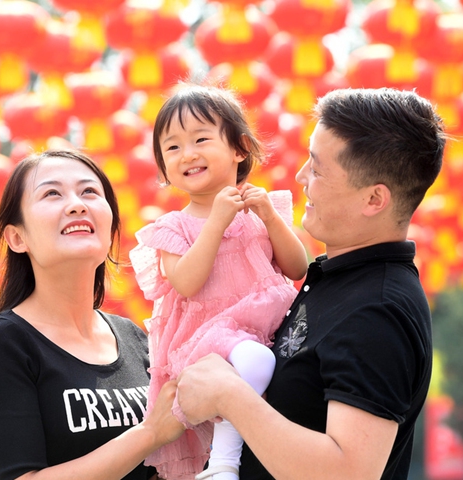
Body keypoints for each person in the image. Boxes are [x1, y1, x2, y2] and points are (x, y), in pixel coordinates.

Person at [174, 87, 446, 480]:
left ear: (374, 200)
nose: (301, 177)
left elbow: (349, 470)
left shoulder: (378, 308)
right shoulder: (337, 278)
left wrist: (228, 395)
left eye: (317, 169)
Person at [0, 149, 184, 480]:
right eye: (52, 193)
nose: (77, 204)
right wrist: (149, 434)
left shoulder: (135, 337)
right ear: (17, 237)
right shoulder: (3, 342)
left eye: (89, 192)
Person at [129, 83, 308, 480]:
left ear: (239, 149)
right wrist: (216, 222)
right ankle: (223, 464)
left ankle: (232, 461)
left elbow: (297, 268)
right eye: (172, 147)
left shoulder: (261, 208)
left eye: (201, 139)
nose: (187, 154)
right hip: (209, 340)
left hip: (269, 328)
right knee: (253, 361)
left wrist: (270, 218)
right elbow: (187, 282)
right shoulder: (172, 226)